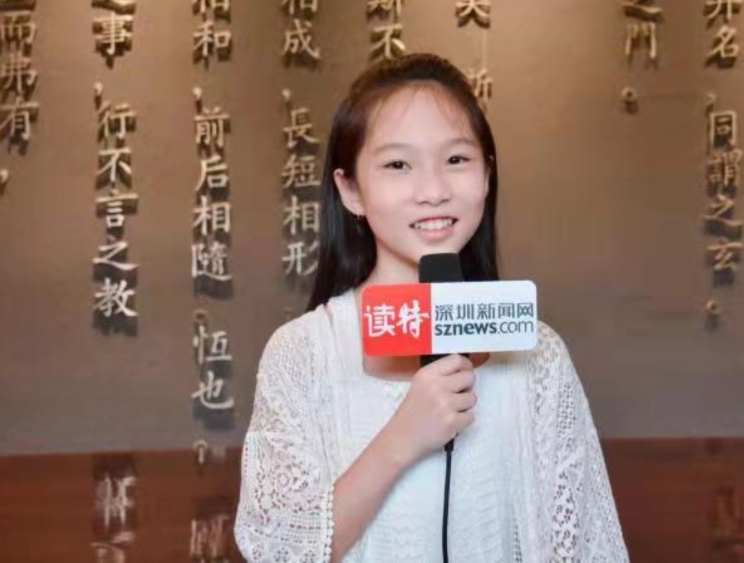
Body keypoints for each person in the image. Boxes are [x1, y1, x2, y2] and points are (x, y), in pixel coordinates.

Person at [234, 53, 629, 562]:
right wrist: (403, 437)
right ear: (350, 189)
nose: (434, 191)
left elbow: (586, 548)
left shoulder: (536, 353)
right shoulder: (301, 353)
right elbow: (276, 551)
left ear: (487, 175)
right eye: (398, 165)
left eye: (456, 160)